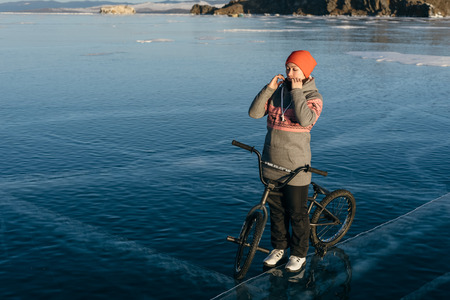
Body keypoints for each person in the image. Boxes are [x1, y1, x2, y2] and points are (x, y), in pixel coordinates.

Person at [248, 50, 323, 272]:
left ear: (306, 72)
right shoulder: (278, 93)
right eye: (288, 68)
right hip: (271, 164)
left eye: (295, 69)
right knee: (277, 212)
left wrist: (298, 91)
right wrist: (269, 88)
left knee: (297, 214)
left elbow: (305, 119)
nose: (290, 74)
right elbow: (253, 113)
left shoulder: (314, 98)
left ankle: (299, 253)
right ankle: (279, 248)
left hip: (296, 168)